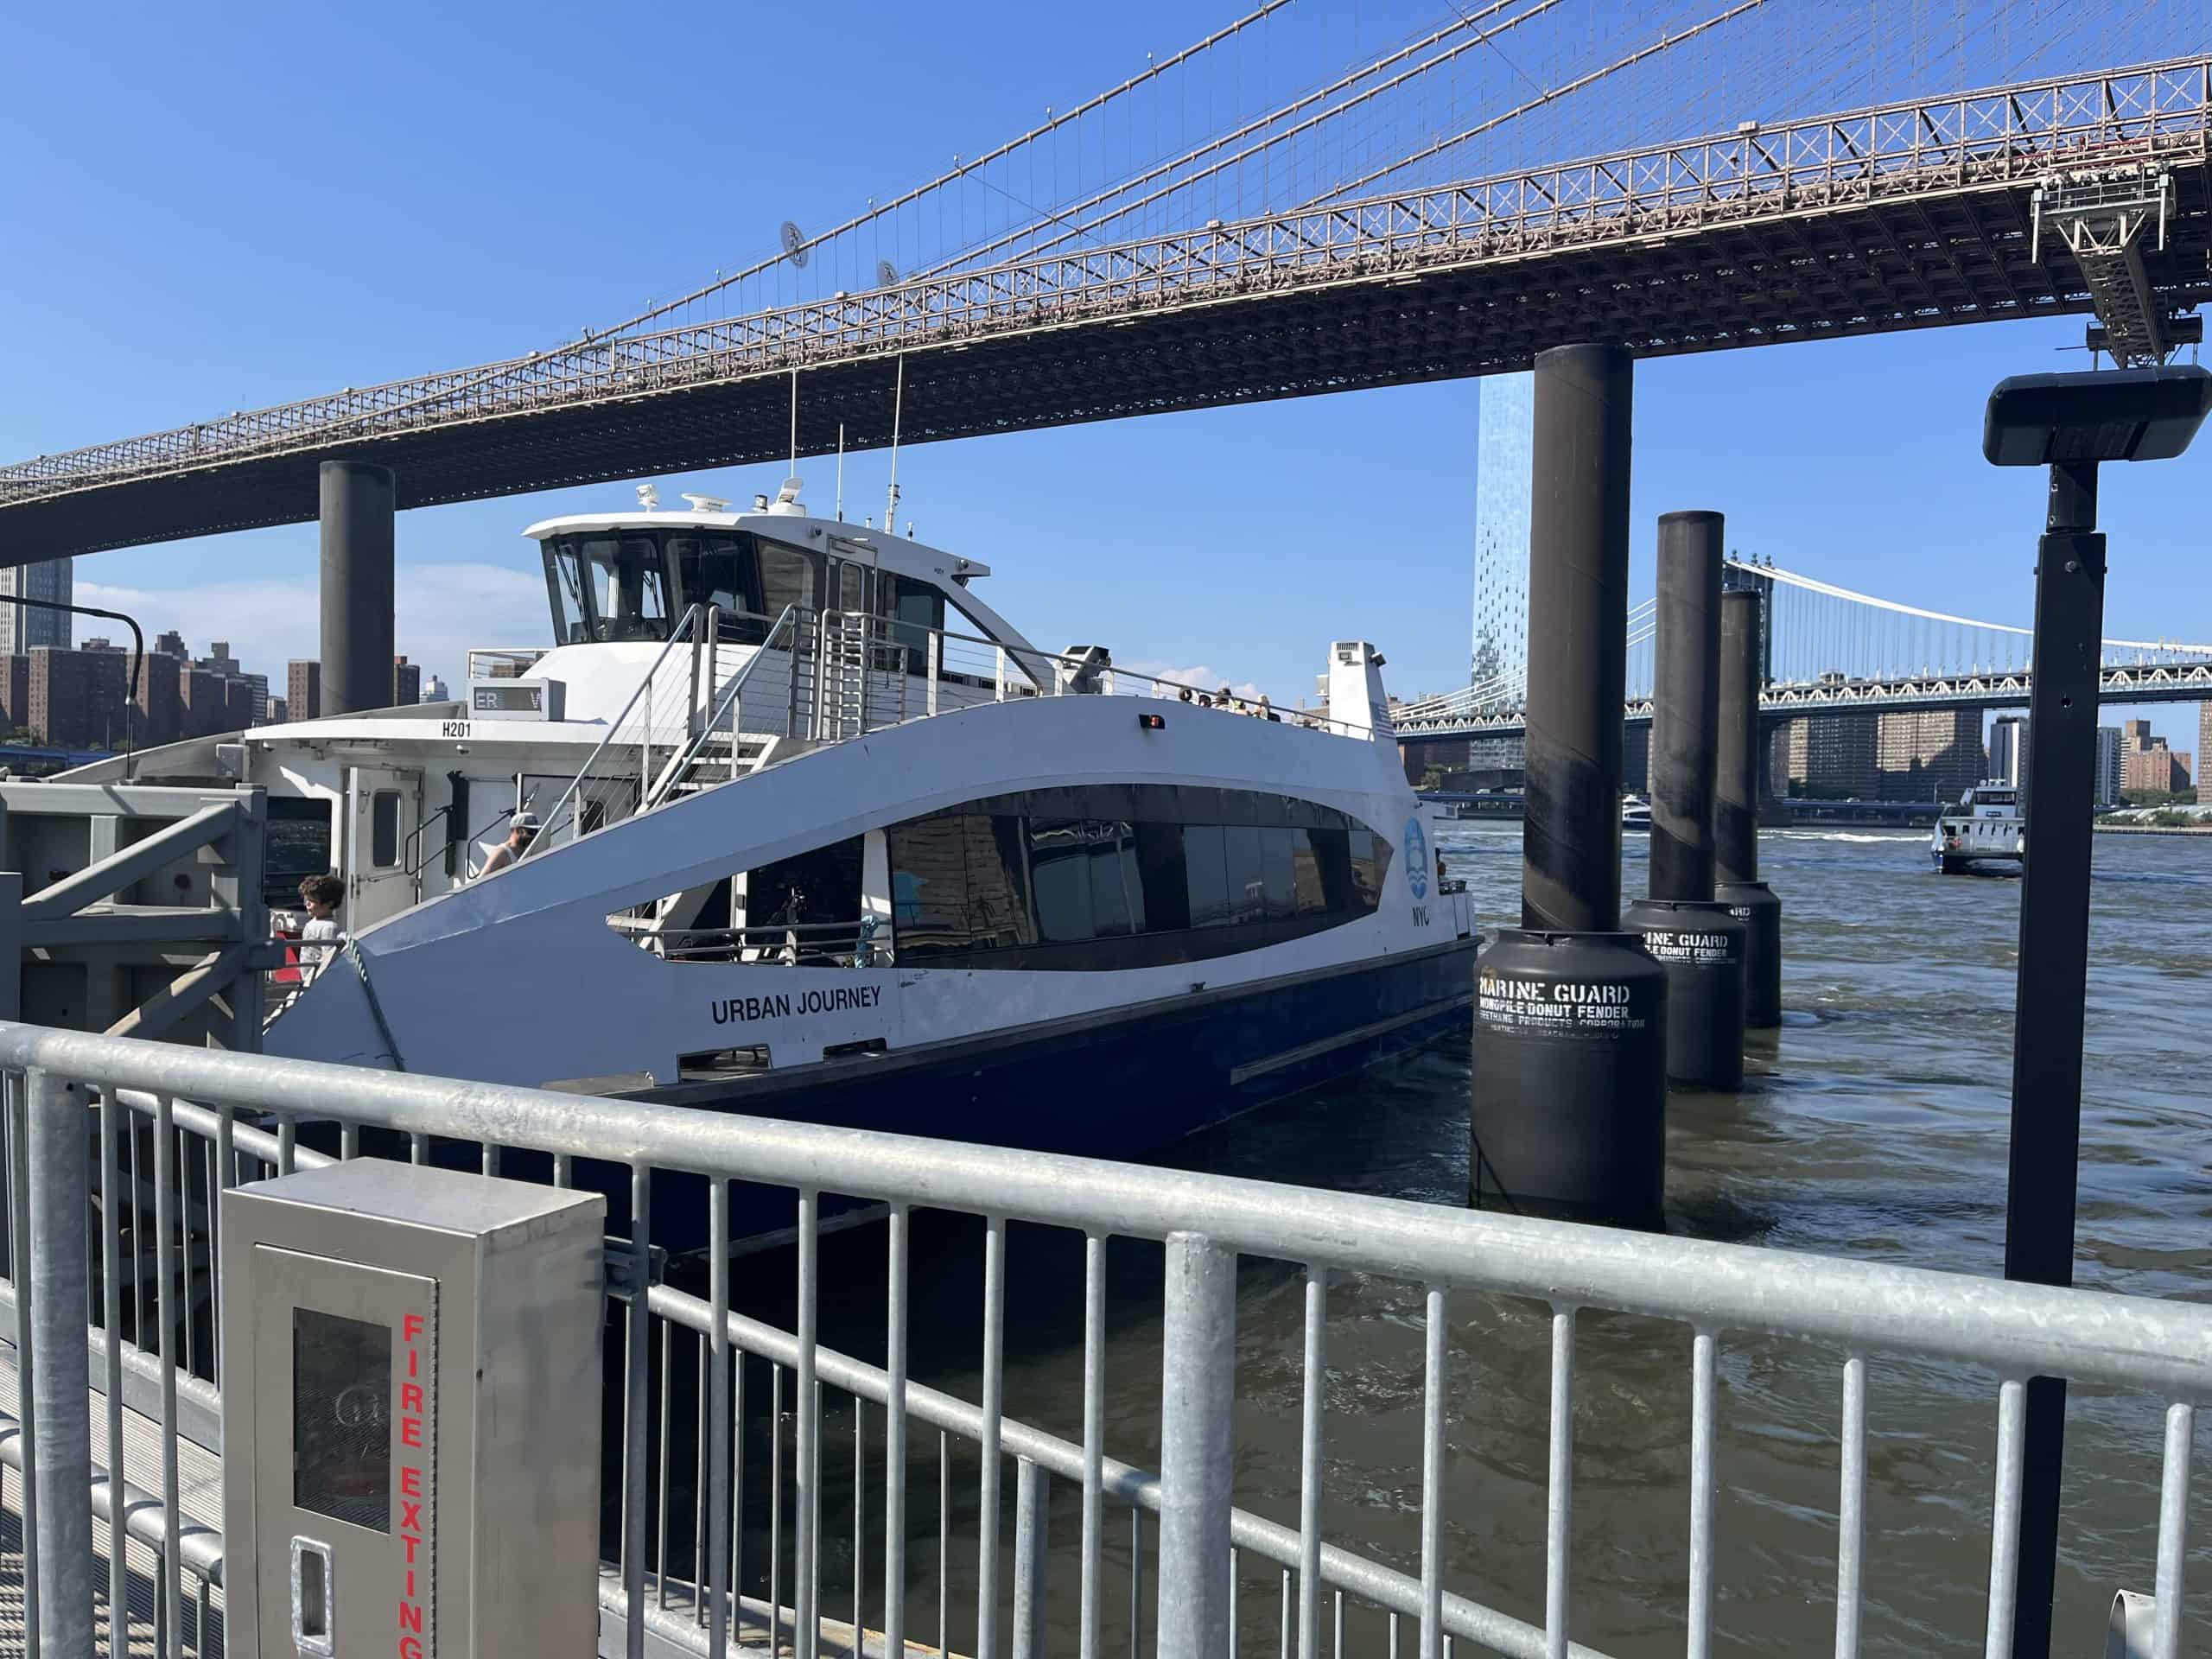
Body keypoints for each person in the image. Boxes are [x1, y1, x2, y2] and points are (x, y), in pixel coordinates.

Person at [297, 874, 345, 984]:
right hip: (307, 979)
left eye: (312, 901)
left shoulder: (330, 928)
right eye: (306, 900)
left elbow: (329, 958)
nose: (307, 904)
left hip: (318, 981)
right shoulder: (310, 923)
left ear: (329, 903)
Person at [475, 813, 539, 879]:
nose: (533, 836)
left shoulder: (527, 852)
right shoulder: (502, 853)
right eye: (531, 832)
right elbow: (481, 881)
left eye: (536, 832)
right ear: (517, 830)